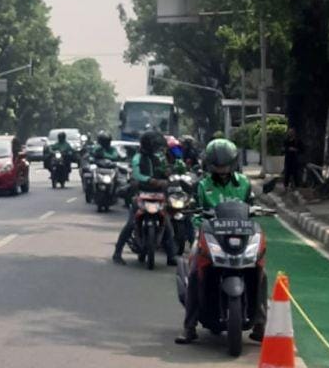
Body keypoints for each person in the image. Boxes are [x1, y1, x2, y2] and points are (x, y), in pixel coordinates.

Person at [175, 138, 265, 344]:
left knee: (260, 271)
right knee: (195, 269)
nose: (222, 170)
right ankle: (189, 327)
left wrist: (257, 210)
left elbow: (251, 207)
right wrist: (197, 220)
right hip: (210, 235)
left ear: (232, 164)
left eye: (225, 165)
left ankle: (260, 323)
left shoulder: (243, 183)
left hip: (241, 235)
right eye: (217, 166)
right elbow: (195, 211)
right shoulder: (203, 185)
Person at [112, 129, 177, 266]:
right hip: (141, 194)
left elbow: (165, 170)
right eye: (155, 145)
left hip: (158, 195)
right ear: (148, 145)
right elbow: (136, 174)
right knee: (130, 224)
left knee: (167, 224)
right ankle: (117, 253)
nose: (157, 148)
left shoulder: (159, 157)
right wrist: (149, 180)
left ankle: (171, 256)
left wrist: (168, 173)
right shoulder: (138, 158)